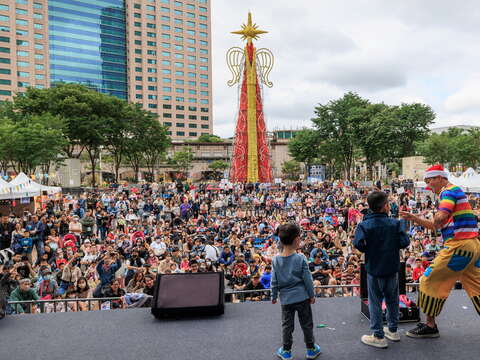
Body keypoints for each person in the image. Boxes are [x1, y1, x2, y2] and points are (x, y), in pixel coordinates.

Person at [400, 165, 480, 338]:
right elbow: (437, 225)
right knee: (477, 286)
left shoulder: (448, 192)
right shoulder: (455, 193)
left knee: (428, 280)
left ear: (439, 178)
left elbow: (440, 218)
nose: (430, 187)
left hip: (458, 247)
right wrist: (414, 218)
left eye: (430, 182)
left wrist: (438, 213)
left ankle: (430, 325)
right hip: (473, 246)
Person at [354, 191, 410, 348]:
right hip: (392, 268)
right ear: (385, 206)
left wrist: (370, 248)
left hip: (374, 269)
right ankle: (392, 330)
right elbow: (404, 242)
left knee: (375, 302)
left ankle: (378, 335)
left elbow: (358, 244)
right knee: (393, 300)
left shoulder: (364, 225)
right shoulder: (395, 223)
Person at [271, 223, 321, 360]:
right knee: (307, 324)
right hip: (302, 298)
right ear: (297, 239)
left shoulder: (275, 260)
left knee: (287, 326)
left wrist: (273, 296)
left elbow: (274, 281)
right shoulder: (301, 258)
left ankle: (286, 351)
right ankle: (311, 349)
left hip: (286, 300)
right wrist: (312, 295)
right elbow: (308, 280)